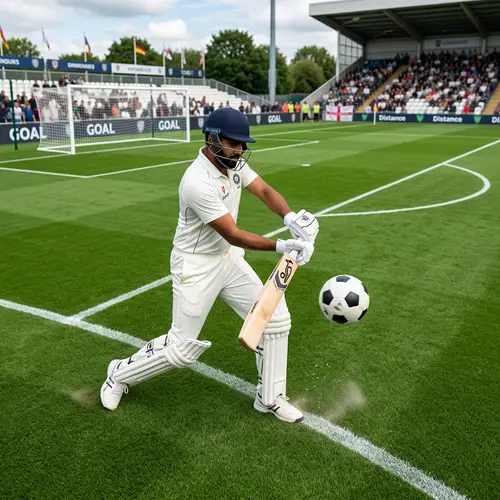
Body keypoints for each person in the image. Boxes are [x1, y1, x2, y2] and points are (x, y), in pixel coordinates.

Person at [100, 108, 318, 423]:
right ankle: (119, 374)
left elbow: (265, 191)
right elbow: (231, 233)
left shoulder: (234, 165)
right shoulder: (196, 181)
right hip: (196, 265)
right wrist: (283, 246)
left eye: (243, 144)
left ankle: (269, 398)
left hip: (227, 260)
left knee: (275, 319)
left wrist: (290, 218)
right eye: (234, 143)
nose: (240, 150)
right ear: (212, 138)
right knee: (181, 348)